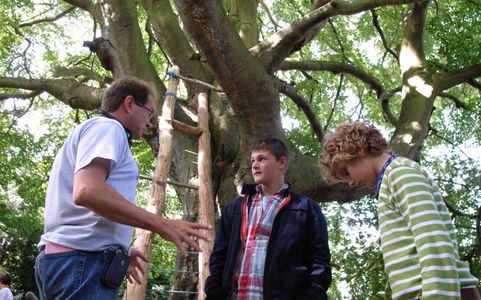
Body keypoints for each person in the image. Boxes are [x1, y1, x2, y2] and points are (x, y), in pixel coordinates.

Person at [35, 76, 211, 299]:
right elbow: (87, 191)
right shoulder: (108, 128)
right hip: (82, 265)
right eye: (149, 112)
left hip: (72, 261)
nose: (150, 122)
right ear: (129, 103)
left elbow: (81, 211)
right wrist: (163, 224)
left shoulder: (95, 130)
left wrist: (119, 249)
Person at [320, 121, 480, 299]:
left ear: (359, 149)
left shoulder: (400, 173)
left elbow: (433, 242)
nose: (350, 183)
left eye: (347, 172)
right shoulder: (389, 182)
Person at [205, 138, 332, 299]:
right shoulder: (235, 209)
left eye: (262, 159)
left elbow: (319, 261)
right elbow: (218, 256)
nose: (254, 165)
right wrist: (214, 290)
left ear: (282, 163)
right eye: (252, 160)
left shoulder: (306, 209)